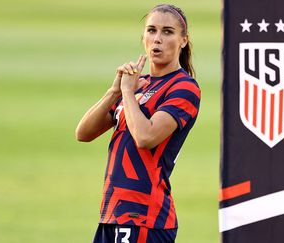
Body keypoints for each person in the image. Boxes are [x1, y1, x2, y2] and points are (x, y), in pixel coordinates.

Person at [75, 4, 201, 243]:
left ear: (183, 40)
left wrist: (127, 93)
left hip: (144, 216)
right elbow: (83, 132)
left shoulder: (184, 87)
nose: (157, 39)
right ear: (143, 36)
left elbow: (145, 137)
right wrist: (114, 92)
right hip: (113, 214)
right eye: (151, 30)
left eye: (167, 32)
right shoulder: (137, 84)